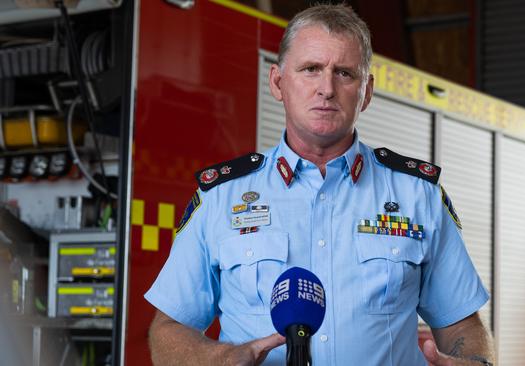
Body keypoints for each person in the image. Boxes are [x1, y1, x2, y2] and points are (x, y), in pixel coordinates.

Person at [145, 4, 494, 365]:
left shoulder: (418, 196)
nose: (326, 88)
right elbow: (168, 329)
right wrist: (221, 358)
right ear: (278, 82)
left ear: (367, 91)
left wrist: (473, 362)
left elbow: (463, 326)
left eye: (344, 73)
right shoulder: (220, 197)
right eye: (311, 69)